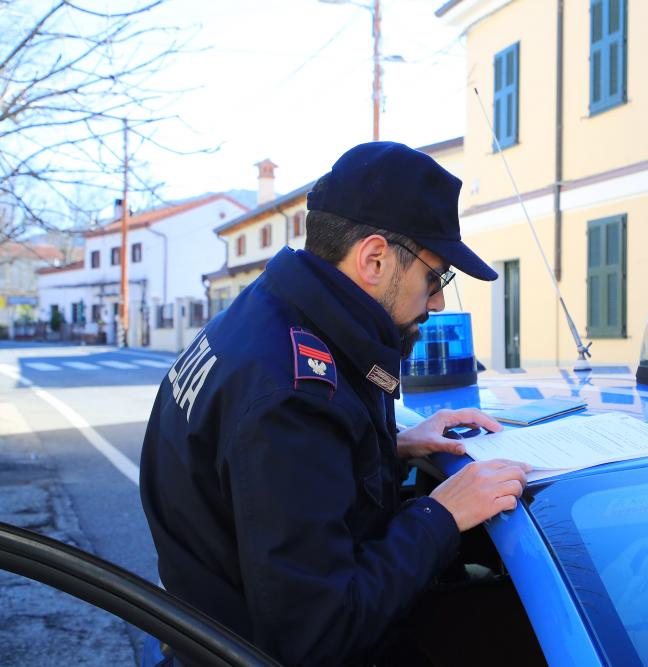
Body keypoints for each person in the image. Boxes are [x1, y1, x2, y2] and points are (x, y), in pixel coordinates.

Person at [139, 142, 530, 666]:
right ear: (374, 259)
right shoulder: (292, 398)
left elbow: (271, 481)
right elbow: (318, 635)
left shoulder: (269, 315)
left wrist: (389, 445)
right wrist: (441, 514)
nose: (437, 302)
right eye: (435, 277)